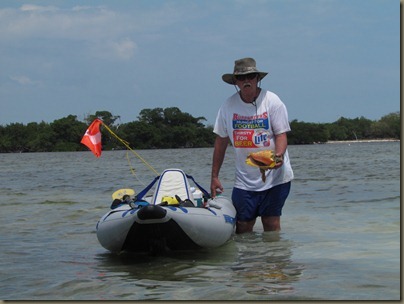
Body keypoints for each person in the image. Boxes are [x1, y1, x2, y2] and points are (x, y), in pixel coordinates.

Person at [210, 57, 294, 234]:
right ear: (235, 82)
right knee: (243, 225)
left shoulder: (272, 101)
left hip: (276, 177)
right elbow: (221, 142)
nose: (247, 81)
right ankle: (248, 262)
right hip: (244, 180)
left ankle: (274, 260)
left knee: (271, 223)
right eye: (241, 78)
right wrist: (214, 176)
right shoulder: (228, 106)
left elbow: (281, 134)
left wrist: (278, 155)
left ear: (258, 78)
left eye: (251, 76)